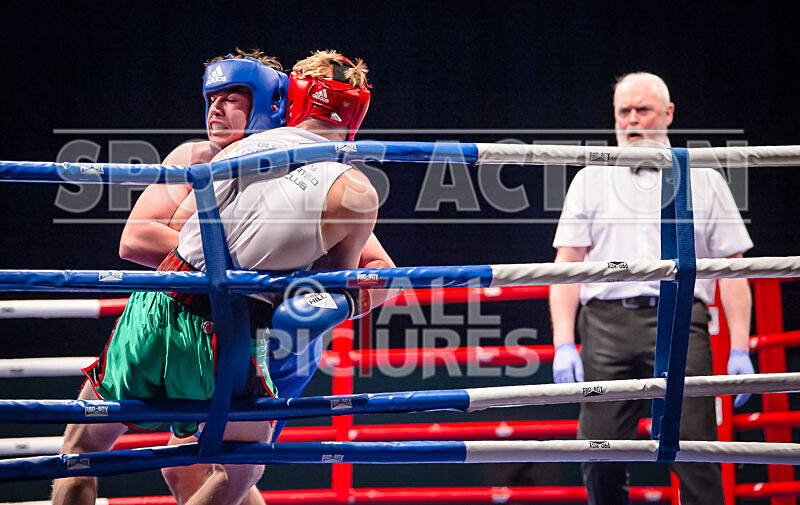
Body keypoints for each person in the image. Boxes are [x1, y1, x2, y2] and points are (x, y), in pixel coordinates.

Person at [52, 50, 388, 505]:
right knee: (239, 467)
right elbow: (341, 279)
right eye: (214, 96)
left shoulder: (232, 153)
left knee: (84, 450)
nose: (216, 108)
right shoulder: (355, 191)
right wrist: (320, 293)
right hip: (236, 325)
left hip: (164, 301)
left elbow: (191, 232)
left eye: (233, 97)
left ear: (286, 99)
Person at [549, 72, 755, 505]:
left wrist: (740, 348)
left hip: (681, 320)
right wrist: (563, 342)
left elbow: (734, 271)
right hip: (606, 326)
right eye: (623, 111)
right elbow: (566, 267)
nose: (632, 120)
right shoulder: (590, 178)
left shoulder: (704, 177)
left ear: (668, 113)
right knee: (597, 452)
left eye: (642, 109)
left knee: (695, 451)